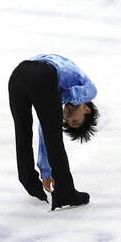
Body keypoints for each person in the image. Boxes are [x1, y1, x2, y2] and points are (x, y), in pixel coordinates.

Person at [8, 54, 99, 211]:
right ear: (86, 108)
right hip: (42, 75)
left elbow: (44, 131)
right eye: (75, 121)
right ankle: (66, 191)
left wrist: (46, 171)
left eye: (68, 122)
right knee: (54, 138)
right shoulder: (89, 91)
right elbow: (66, 97)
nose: (68, 117)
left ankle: (28, 179)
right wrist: (56, 104)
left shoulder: (57, 90)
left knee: (22, 132)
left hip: (18, 75)